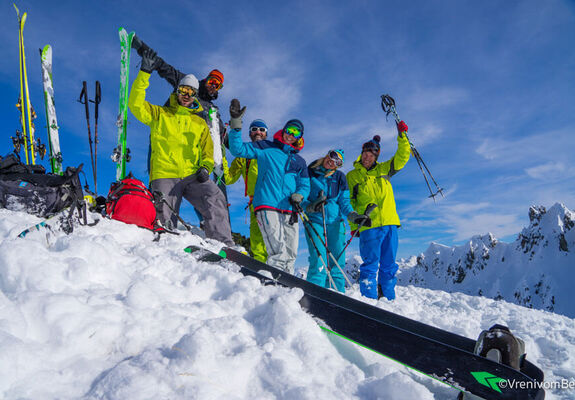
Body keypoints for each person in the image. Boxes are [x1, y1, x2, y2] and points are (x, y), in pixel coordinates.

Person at [128, 48, 234, 246]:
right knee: (164, 217)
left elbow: (208, 150)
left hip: (192, 175)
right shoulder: (160, 114)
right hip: (165, 174)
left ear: (195, 95)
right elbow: (135, 104)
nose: (186, 95)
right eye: (183, 90)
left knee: (214, 195)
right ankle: (165, 244)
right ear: (177, 91)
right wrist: (144, 73)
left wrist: (206, 167)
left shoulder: (201, 122)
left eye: (191, 92)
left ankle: (224, 246)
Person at [227, 99, 310, 273]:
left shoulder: (299, 161)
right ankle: (274, 281)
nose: (290, 134)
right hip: (267, 204)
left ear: (299, 137)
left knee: (291, 252)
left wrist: (300, 195)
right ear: (284, 130)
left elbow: (304, 183)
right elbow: (238, 150)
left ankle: (287, 285)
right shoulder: (266, 147)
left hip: (289, 208)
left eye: (295, 132)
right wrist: (235, 125)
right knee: (277, 249)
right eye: (289, 130)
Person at [346, 121, 410, 300]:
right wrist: (354, 224)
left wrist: (402, 136)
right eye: (365, 153)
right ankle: (368, 302)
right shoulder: (352, 176)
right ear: (361, 154)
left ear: (376, 157)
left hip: (389, 223)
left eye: (372, 154)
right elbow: (348, 201)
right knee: (370, 265)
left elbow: (403, 156)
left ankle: (388, 300)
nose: (368, 157)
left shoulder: (384, 170)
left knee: (389, 265)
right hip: (368, 225)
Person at [302, 149, 367, 293]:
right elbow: (302, 195)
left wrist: (352, 215)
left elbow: (344, 202)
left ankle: (337, 295)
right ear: (327, 155)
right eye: (332, 157)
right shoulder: (309, 172)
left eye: (337, 162)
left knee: (337, 263)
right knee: (319, 261)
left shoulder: (339, 177)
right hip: (315, 221)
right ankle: (313, 294)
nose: (332, 162)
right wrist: (310, 207)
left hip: (336, 224)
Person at [225, 119, 268, 262]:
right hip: (254, 202)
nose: (258, 132)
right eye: (254, 129)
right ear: (250, 133)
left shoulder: (272, 152)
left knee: (274, 238)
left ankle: (279, 267)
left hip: (273, 200)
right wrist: (221, 159)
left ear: (266, 133)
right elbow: (229, 178)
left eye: (262, 130)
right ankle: (262, 268)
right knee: (256, 238)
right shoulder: (243, 157)